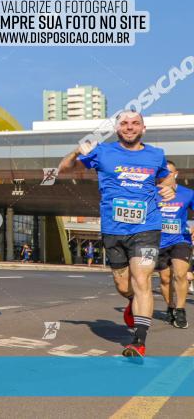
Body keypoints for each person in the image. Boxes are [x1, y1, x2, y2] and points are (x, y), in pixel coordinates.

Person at [58, 111, 175, 357]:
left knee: (142, 279)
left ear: (143, 128)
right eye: (124, 123)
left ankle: (139, 341)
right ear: (116, 128)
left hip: (147, 227)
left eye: (135, 123)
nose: (129, 127)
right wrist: (77, 151)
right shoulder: (102, 152)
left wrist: (169, 189)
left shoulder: (156, 155)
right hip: (113, 229)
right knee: (123, 285)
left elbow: (168, 179)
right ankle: (132, 302)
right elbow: (64, 169)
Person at [156, 161, 192, 329]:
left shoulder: (188, 193)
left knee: (180, 274)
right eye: (162, 173)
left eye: (168, 173)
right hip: (159, 241)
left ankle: (180, 310)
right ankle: (170, 306)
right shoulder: (153, 193)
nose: (164, 177)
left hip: (180, 239)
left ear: (175, 174)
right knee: (165, 279)